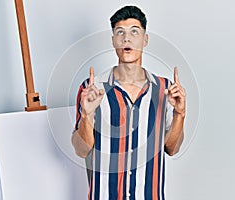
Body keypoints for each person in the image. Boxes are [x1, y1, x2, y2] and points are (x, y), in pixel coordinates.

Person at [72, 5, 186, 200]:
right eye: (120, 32)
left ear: (145, 39)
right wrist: (87, 115)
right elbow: (81, 150)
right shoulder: (91, 88)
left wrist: (179, 115)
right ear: (113, 41)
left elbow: (172, 149)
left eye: (135, 31)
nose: (127, 38)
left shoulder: (165, 89)